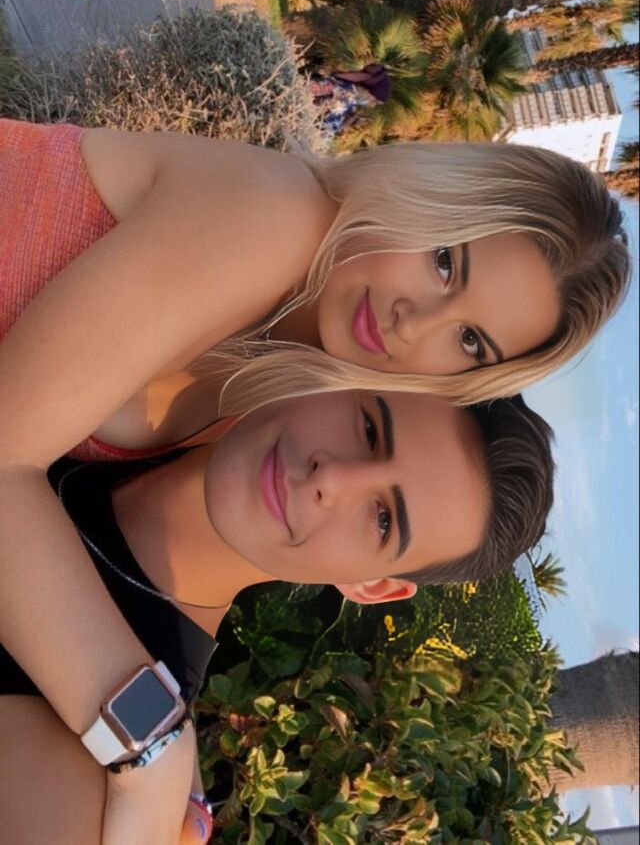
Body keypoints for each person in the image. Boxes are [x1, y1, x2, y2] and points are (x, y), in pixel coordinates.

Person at [0, 116, 629, 841]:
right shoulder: (277, 216)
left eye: (468, 339)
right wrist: (154, 743)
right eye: (444, 261)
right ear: (431, 189)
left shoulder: (261, 392)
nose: (412, 322)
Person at [0, 386, 555, 844]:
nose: (330, 479)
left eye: (383, 519)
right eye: (368, 429)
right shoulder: (116, 385)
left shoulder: (106, 776)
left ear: (373, 586)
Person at [311, 62, 392, 135]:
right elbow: (326, 128)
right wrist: (343, 125)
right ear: (368, 92)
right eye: (374, 101)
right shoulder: (349, 97)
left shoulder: (346, 87)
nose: (371, 105)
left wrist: (350, 118)